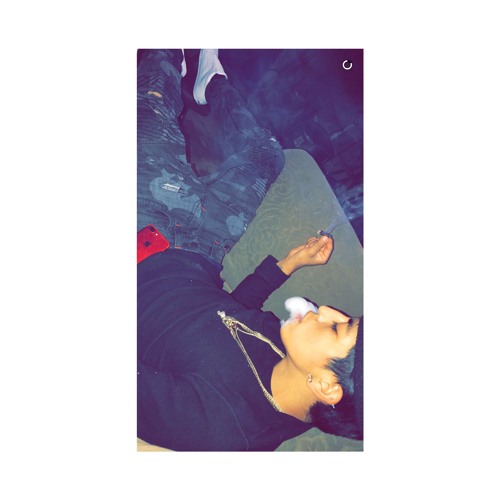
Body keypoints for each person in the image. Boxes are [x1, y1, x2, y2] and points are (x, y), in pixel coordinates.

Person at [137, 49, 363, 451]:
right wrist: (291, 263)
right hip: (203, 249)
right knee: (266, 155)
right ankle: (212, 86)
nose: (326, 309)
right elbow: (229, 317)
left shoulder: (215, 427)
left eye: (336, 327)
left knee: (153, 103)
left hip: (144, 238)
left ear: (328, 387)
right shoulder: (294, 358)